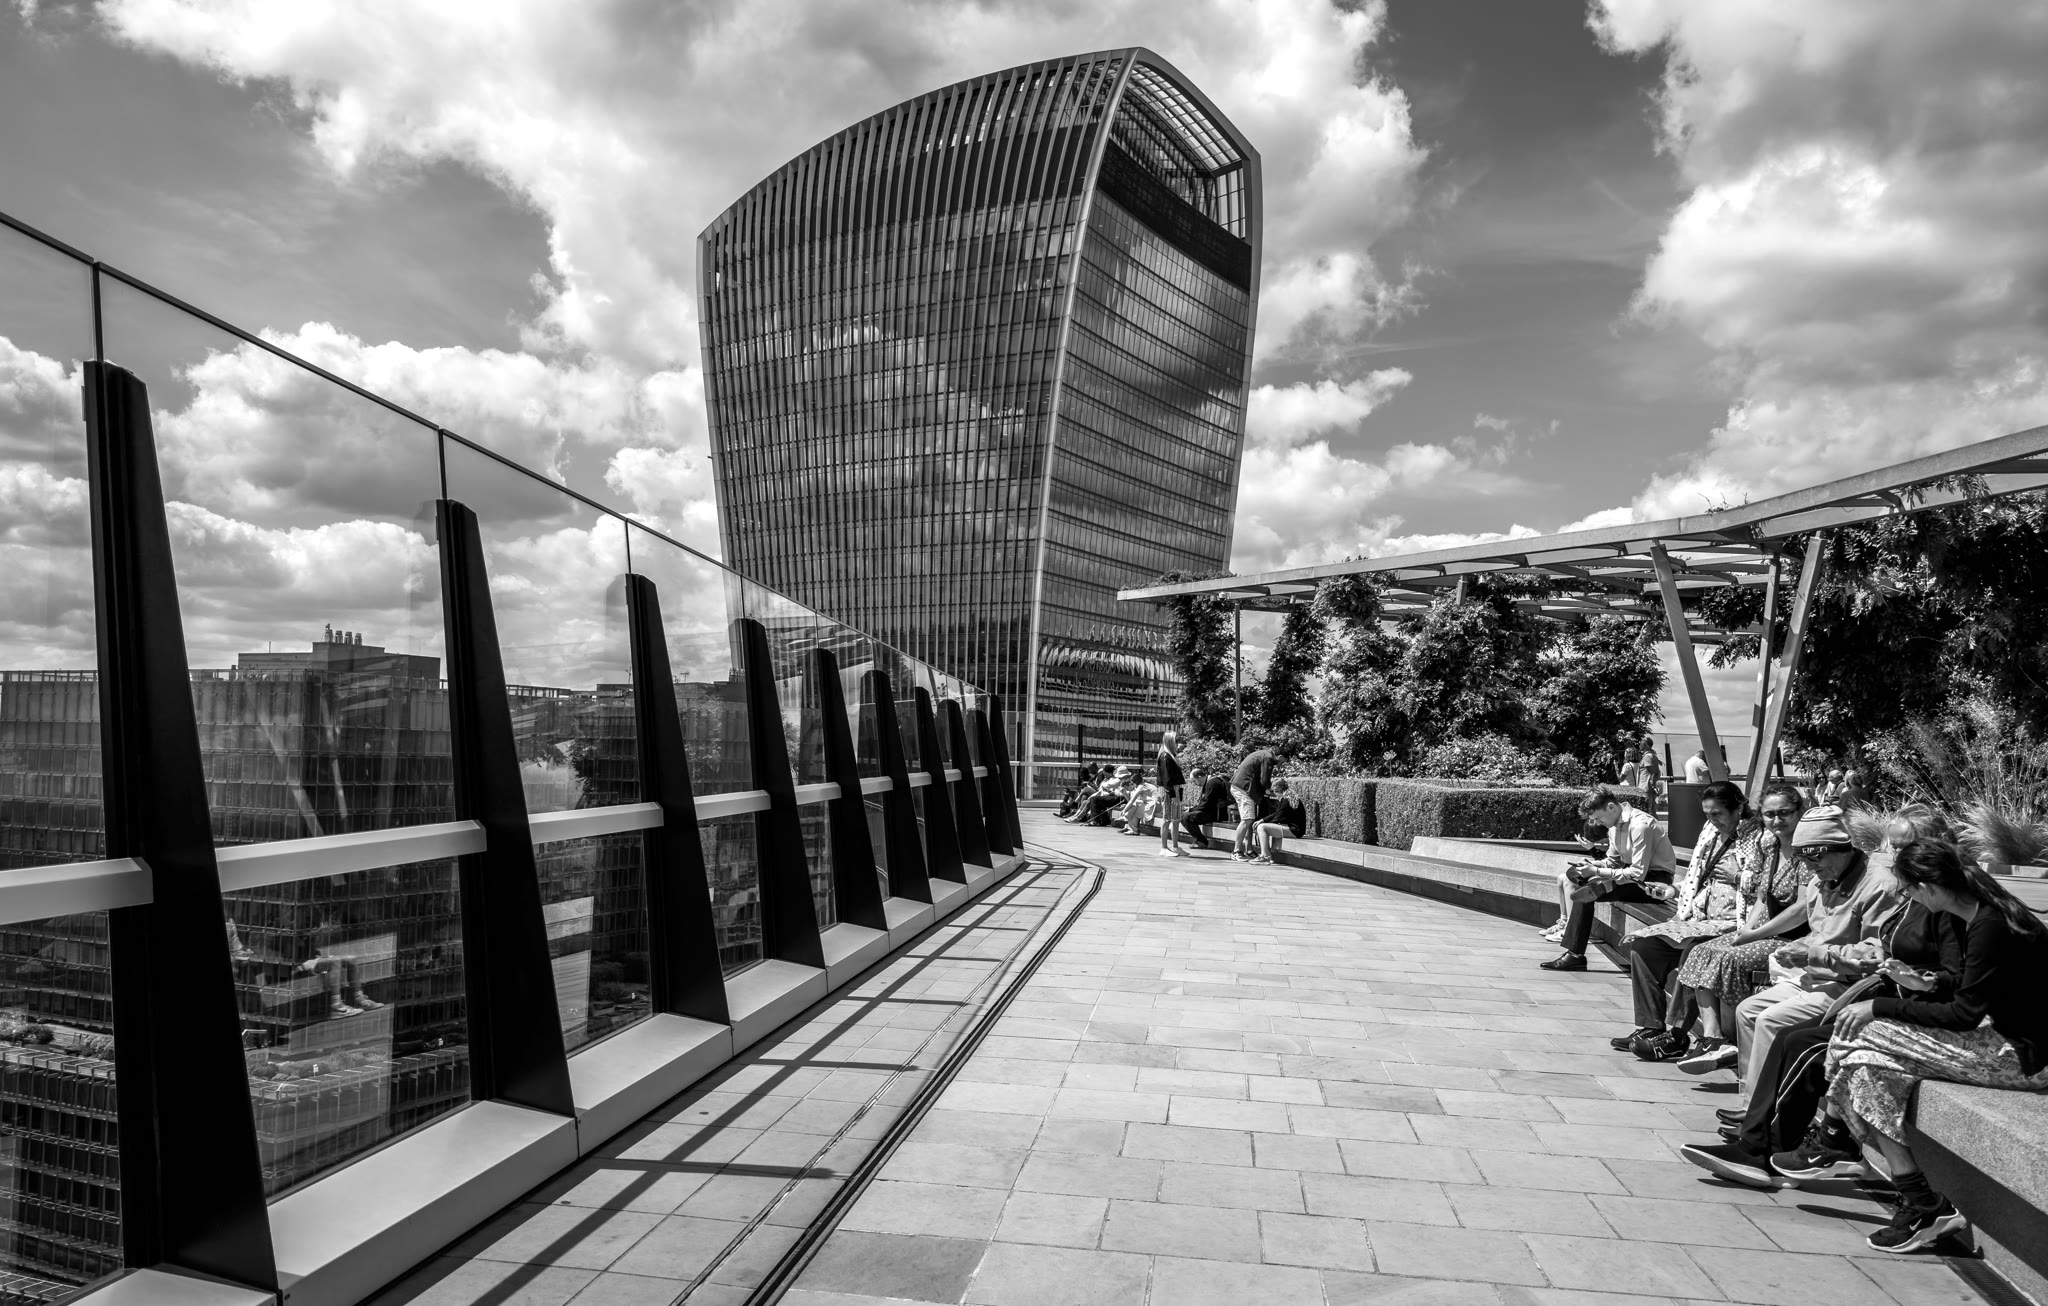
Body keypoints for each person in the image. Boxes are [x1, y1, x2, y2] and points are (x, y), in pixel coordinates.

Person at [1678, 831, 1968, 1193]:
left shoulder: (1954, 914)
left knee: (1806, 1046)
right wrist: (1888, 969)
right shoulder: (1922, 904)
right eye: (1889, 846)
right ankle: (1766, 1145)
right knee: (1791, 1039)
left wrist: (1886, 998)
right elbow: (1895, 956)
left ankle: (1796, 1148)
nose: (1888, 859)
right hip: (1886, 997)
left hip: (1918, 1015)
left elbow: (1961, 996)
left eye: (1898, 850)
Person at [1815, 837, 2048, 1252]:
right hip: (2004, 1039)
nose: (1908, 898)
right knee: (1868, 1063)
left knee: (1864, 1031)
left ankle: (1835, 1137)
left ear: (1926, 887)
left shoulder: (1990, 924)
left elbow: (1964, 1015)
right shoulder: (1979, 912)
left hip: (2024, 1057)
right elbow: (1973, 985)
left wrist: (1880, 1005)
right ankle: (1920, 1200)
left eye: (1908, 890)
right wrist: (1928, 983)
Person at [1729, 805, 1903, 1106]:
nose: (1810, 867)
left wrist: (1813, 954)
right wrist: (1797, 949)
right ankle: (1750, 1102)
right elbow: (1820, 932)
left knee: (1770, 1020)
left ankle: (1761, 1111)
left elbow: (1875, 954)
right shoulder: (1820, 881)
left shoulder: (1879, 885)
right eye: (1803, 859)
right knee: (1747, 1010)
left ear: (1842, 848)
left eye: (1816, 857)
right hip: (1816, 977)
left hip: (1850, 985)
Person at [1665, 782, 1813, 1072]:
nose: (1776, 820)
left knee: (1728, 958)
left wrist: (1755, 934)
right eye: (1769, 814)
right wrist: (1746, 931)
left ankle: (1733, 1039)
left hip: (1792, 938)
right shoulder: (1771, 847)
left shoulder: (1806, 852)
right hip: (1765, 931)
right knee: (1700, 952)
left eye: (1784, 813)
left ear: (1799, 812)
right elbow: (1762, 898)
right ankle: (1714, 1039)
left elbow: (1802, 909)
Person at [1616, 781, 1755, 1061]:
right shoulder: (1710, 833)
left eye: (1717, 814)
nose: (1712, 820)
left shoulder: (1758, 838)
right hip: (1698, 918)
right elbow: (1698, 877)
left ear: (1739, 808)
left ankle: (1677, 1036)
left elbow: (1770, 886)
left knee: (1694, 952)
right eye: (1707, 814)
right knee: (1644, 948)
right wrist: (1673, 890)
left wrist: (1738, 877)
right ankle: (1651, 1026)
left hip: (1733, 923)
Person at [1539, 786, 1677, 971]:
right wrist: (1591, 866)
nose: (1598, 823)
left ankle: (1574, 955)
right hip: (1629, 877)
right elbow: (1612, 862)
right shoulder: (1614, 827)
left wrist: (1596, 872)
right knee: (1578, 880)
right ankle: (1575, 953)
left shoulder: (1641, 825)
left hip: (1654, 884)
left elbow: (1638, 873)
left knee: (1585, 893)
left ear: (1611, 807)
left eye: (1598, 818)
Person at [1230, 747, 1277, 861]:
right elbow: (1265, 779)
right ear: (1280, 756)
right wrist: (1269, 790)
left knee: (1250, 819)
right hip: (1245, 788)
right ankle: (1236, 851)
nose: (1280, 764)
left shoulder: (1262, 754)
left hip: (1240, 786)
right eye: (1282, 761)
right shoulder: (1268, 757)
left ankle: (1249, 850)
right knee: (1247, 820)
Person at [1250, 779, 1306, 864]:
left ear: (1277, 790)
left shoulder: (1287, 800)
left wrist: (1263, 823)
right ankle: (1268, 855)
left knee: (1262, 828)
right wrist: (1262, 820)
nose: (1274, 794)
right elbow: (1277, 813)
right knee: (1262, 825)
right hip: (1295, 828)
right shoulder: (1289, 797)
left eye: (1274, 791)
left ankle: (1265, 856)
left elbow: (1278, 817)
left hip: (1294, 830)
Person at [1155, 731, 1189, 858]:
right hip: (1171, 791)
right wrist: (1172, 794)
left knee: (1175, 820)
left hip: (1174, 790)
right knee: (1167, 819)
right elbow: (1166, 777)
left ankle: (1175, 846)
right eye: (1176, 741)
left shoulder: (1169, 755)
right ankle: (1164, 847)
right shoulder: (1165, 756)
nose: (1177, 744)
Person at [1183, 766, 1231, 847]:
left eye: (1194, 781)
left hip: (1217, 814)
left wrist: (1191, 809)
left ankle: (1202, 841)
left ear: (1199, 777)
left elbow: (1207, 803)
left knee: (1187, 817)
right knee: (1184, 816)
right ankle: (1200, 840)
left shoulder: (1213, 783)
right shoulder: (1210, 782)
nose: (1195, 784)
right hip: (1212, 811)